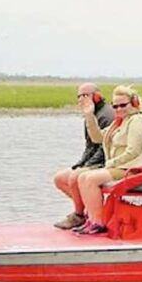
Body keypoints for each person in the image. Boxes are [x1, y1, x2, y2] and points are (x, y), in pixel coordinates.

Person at [74, 86, 142, 235]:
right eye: (115, 106)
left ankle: (98, 222)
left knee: (90, 179)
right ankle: (92, 219)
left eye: (123, 105)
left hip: (134, 169)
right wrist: (89, 116)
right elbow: (97, 138)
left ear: (133, 103)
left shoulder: (137, 121)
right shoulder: (120, 122)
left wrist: (110, 164)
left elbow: (133, 151)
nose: (119, 109)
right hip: (122, 166)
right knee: (82, 177)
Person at [52, 82, 114, 229]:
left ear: (97, 96)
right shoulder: (90, 114)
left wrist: (86, 167)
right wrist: (80, 164)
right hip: (95, 161)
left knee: (75, 177)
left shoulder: (106, 115)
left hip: (107, 161)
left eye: (85, 95)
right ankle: (91, 210)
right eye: (79, 96)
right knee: (59, 178)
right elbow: (90, 146)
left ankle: (79, 215)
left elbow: (103, 149)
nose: (81, 99)